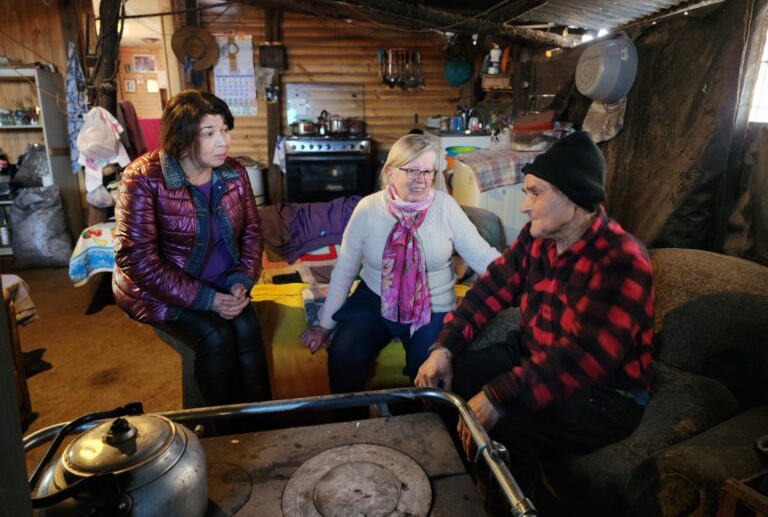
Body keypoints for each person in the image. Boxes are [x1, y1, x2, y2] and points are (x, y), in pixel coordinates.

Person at [415, 131, 655, 500]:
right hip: (533, 354)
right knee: (439, 382)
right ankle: (458, 485)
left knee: (507, 424)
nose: (524, 206)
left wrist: (499, 396)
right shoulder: (536, 238)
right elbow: (489, 289)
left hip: (605, 393)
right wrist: (444, 347)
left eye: (535, 193)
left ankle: (517, 503)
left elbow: (581, 359)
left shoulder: (621, 260)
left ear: (573, 198)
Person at [300, 133, 501, 393]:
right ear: (391, 171)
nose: (422, 180)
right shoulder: (368, 209)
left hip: (432, 303)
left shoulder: (445, 208)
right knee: (344, 352)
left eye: (428, 171)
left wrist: (525, 279)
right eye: (412, 171)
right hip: (375, 298)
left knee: (426, 367)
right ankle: (348, 427)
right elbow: (345, 269)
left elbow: (483, 257)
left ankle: (420, 427)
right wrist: (324, 325)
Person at [113, 89, 270, 409]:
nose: (223, 142)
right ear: (182, 138)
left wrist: (242, 279)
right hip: (160, 291)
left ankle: (258, 419)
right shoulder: (143, 178)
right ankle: (219, 431)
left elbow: (252, 233)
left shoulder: (234, 172)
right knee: (215, 338)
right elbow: (138, 259)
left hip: (224, 283)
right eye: (209, 133)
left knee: (248, 327)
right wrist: (208, 299)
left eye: (225, 130)